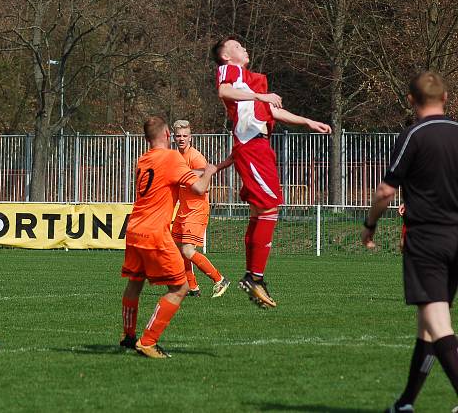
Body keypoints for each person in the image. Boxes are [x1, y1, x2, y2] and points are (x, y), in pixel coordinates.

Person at [361, 71, 458, 412]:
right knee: (427, 329)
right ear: (446, 98)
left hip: (428, 240)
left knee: (437, 322)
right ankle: (405, 403)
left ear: (412, 101)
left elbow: (386, 190)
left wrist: (369, 224)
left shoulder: (412, 136)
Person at [212, 36, 331, 308]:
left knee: (259, 211)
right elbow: (224, 91)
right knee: (269, 208)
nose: (244, 46)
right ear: (226, 56)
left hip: (260, 146)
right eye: (237, 46)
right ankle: (254, 277)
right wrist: (259, 95)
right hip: (251, 147)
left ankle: (253, 277)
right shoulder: (232, 72)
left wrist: (308, 121)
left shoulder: (250, 81)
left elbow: (273, 113)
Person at [120, 116, 218, 358]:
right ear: (167, 135)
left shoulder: (142, 160)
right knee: (180, 287)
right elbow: (199, 188)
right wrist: (209, 172)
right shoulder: (173, 157)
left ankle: (128, 336)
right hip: (155, 232)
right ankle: (148, 341)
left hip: (134, 229)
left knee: (134, 284)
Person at [170, 119, 230, 298]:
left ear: (190, 137)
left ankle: (220, 279)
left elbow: (206, 183)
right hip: (183, 209)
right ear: (174, 137)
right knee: (178, 250)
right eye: (178, 135)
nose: (181, 139)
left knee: (188, 250)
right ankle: (192, 287)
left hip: (196, 209)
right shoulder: (174, 157)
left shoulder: (195, 157)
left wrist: (187, 176)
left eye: (185, 136)